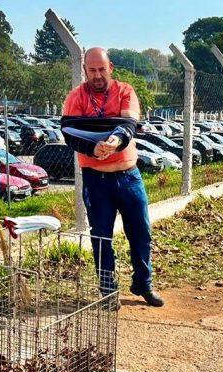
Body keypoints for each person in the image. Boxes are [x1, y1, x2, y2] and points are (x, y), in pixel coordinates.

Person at [61, 47, 163, 308]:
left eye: (102, 69)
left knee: (141, 232)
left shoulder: (125, 91)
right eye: (92, 70)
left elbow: (129, 124)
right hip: (96, 180)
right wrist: (92, 147)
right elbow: (70, 133)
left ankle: (143, 284)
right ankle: (107, 291)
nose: (97, 75)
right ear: (85, 70)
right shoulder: (76, 97)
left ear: (111, 68)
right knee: (101, 236)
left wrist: (116, 140)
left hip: (129, 176)